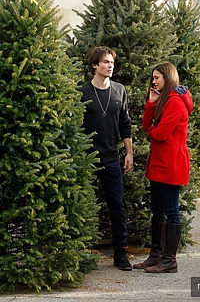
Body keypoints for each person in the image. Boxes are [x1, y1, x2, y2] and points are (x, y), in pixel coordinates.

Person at [133, 62, 193, 273]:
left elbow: (160, 133)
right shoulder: (163, 100)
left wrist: (152, 131)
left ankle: (169, 260)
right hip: (159, 161)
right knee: (157, 209)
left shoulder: (175, 103)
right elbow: (146, 125)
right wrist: (151, 102)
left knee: (170, 210)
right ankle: (155, 255)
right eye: (153, 77)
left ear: (168, 78)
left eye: (157, 77)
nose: (153, 81)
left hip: (171, 162)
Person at [80, 46, 133, 271]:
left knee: (117, 206)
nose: (110, 66)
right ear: (95, 65)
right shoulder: (82, 92)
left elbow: (125, 123)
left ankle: (120, 253)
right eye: (105, 62)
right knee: (83, 206)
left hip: (111, 158)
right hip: (87, 159)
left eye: (111, 62)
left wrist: (129, 152)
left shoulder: (119, 90)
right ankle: (80, 253)